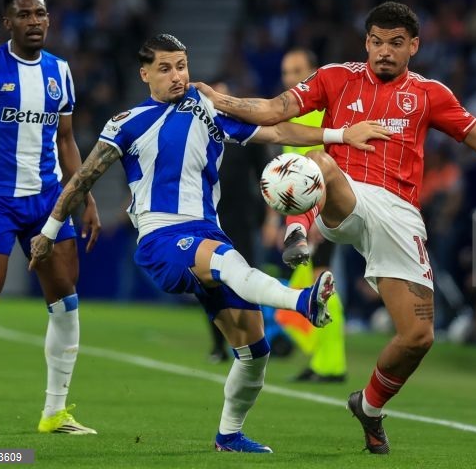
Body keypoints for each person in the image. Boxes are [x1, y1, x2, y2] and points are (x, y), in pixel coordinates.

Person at [197, 1, 476, 454]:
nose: (384, 51)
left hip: (399, 215)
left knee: (418, 337)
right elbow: (272, 110)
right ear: (366, 42)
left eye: (396, 43)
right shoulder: (334, 77)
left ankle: (371, 407)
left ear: (413, 46)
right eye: (377, 41)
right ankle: (297, 232)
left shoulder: (430, 94)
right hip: (345, 199)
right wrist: (218, 100)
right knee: (319, 160)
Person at [28, 34, 389, 453]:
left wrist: (340, 135)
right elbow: (83, 178)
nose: (177, 76)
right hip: (162, 237)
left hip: (208, 230)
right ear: (144, 74)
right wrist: (49, 232)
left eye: (182, 65)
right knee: (230, 264)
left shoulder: (208, 110)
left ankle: (229, 436)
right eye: (165, 68)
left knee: (255, 350)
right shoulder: (126, 123)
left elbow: (275, 130)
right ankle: (302, 302)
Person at [0, 0, 101, 434]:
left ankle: (55, 412)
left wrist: (84, 197)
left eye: (41, 14)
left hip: (49, 202)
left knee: (65, 300)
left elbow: (67, 140)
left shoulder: (61, 73)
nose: (35, 21)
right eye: (25, 15)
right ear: (7, 23)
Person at [272, 47, 348, 383]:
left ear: (313, 72)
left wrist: (317, 219)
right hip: (302, 217)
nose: (290, 78)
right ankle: (323, 359)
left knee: (322, 283)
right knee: (305, 296)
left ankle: (332, 364)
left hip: (321, 214)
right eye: (286, 72)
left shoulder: (321, 114)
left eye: (296, 71)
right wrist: (278, 219)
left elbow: (329, 168)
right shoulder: (291, 115)